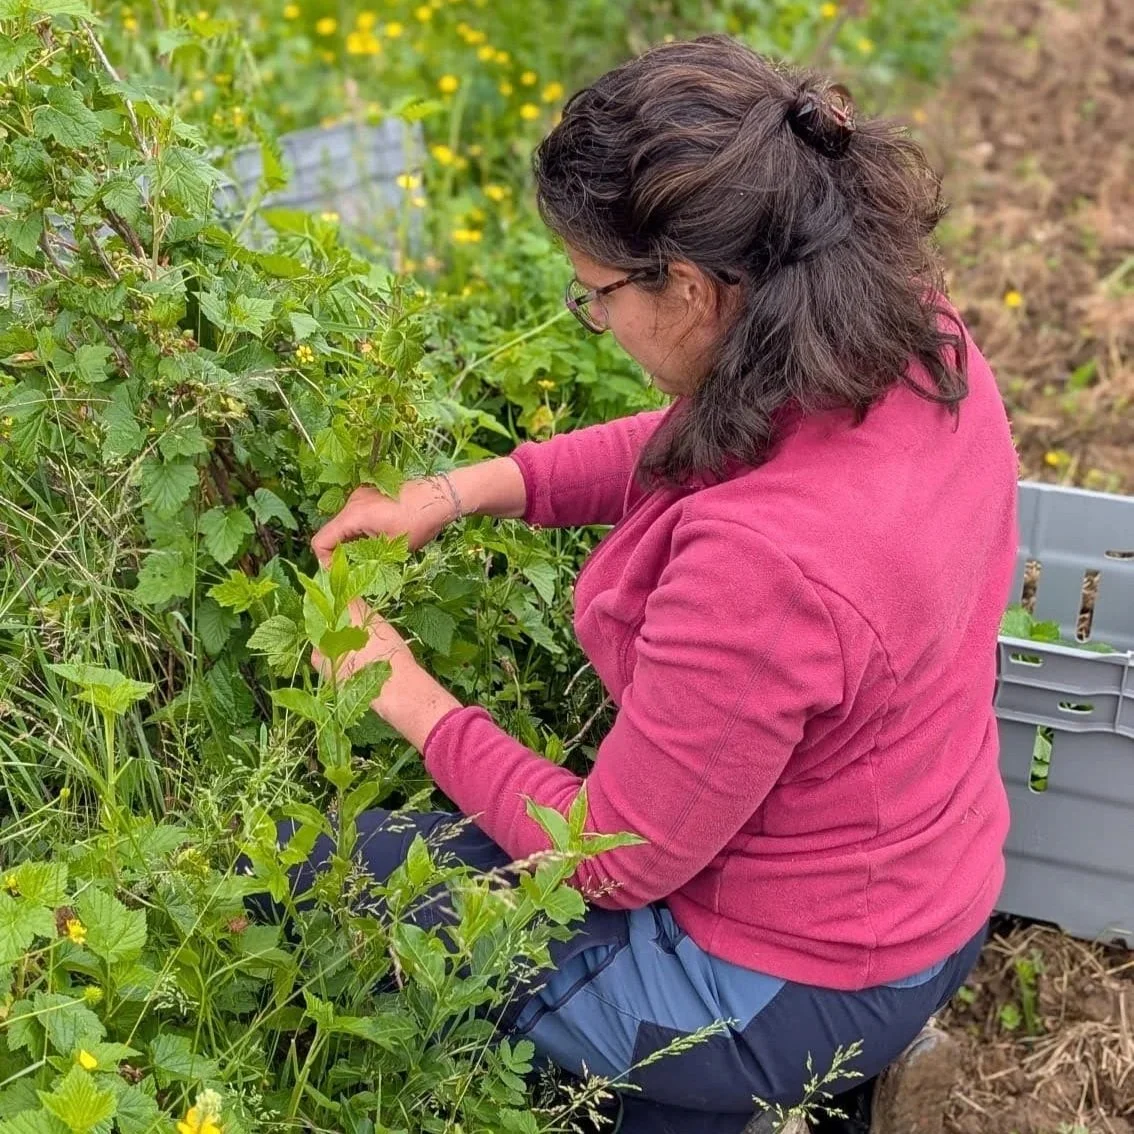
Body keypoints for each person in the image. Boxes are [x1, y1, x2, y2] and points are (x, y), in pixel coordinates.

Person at [296, 34, 1019, 1134]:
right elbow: (701, 436)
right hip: (927, 898)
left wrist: (401, 690)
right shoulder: (915, 344)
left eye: (594, 295)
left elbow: (613, 856)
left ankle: (732, 1101)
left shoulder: (766, 564)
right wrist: (461, 490)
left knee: (341, 873)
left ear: (686, 288)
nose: (595, 319)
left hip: (795, 982)